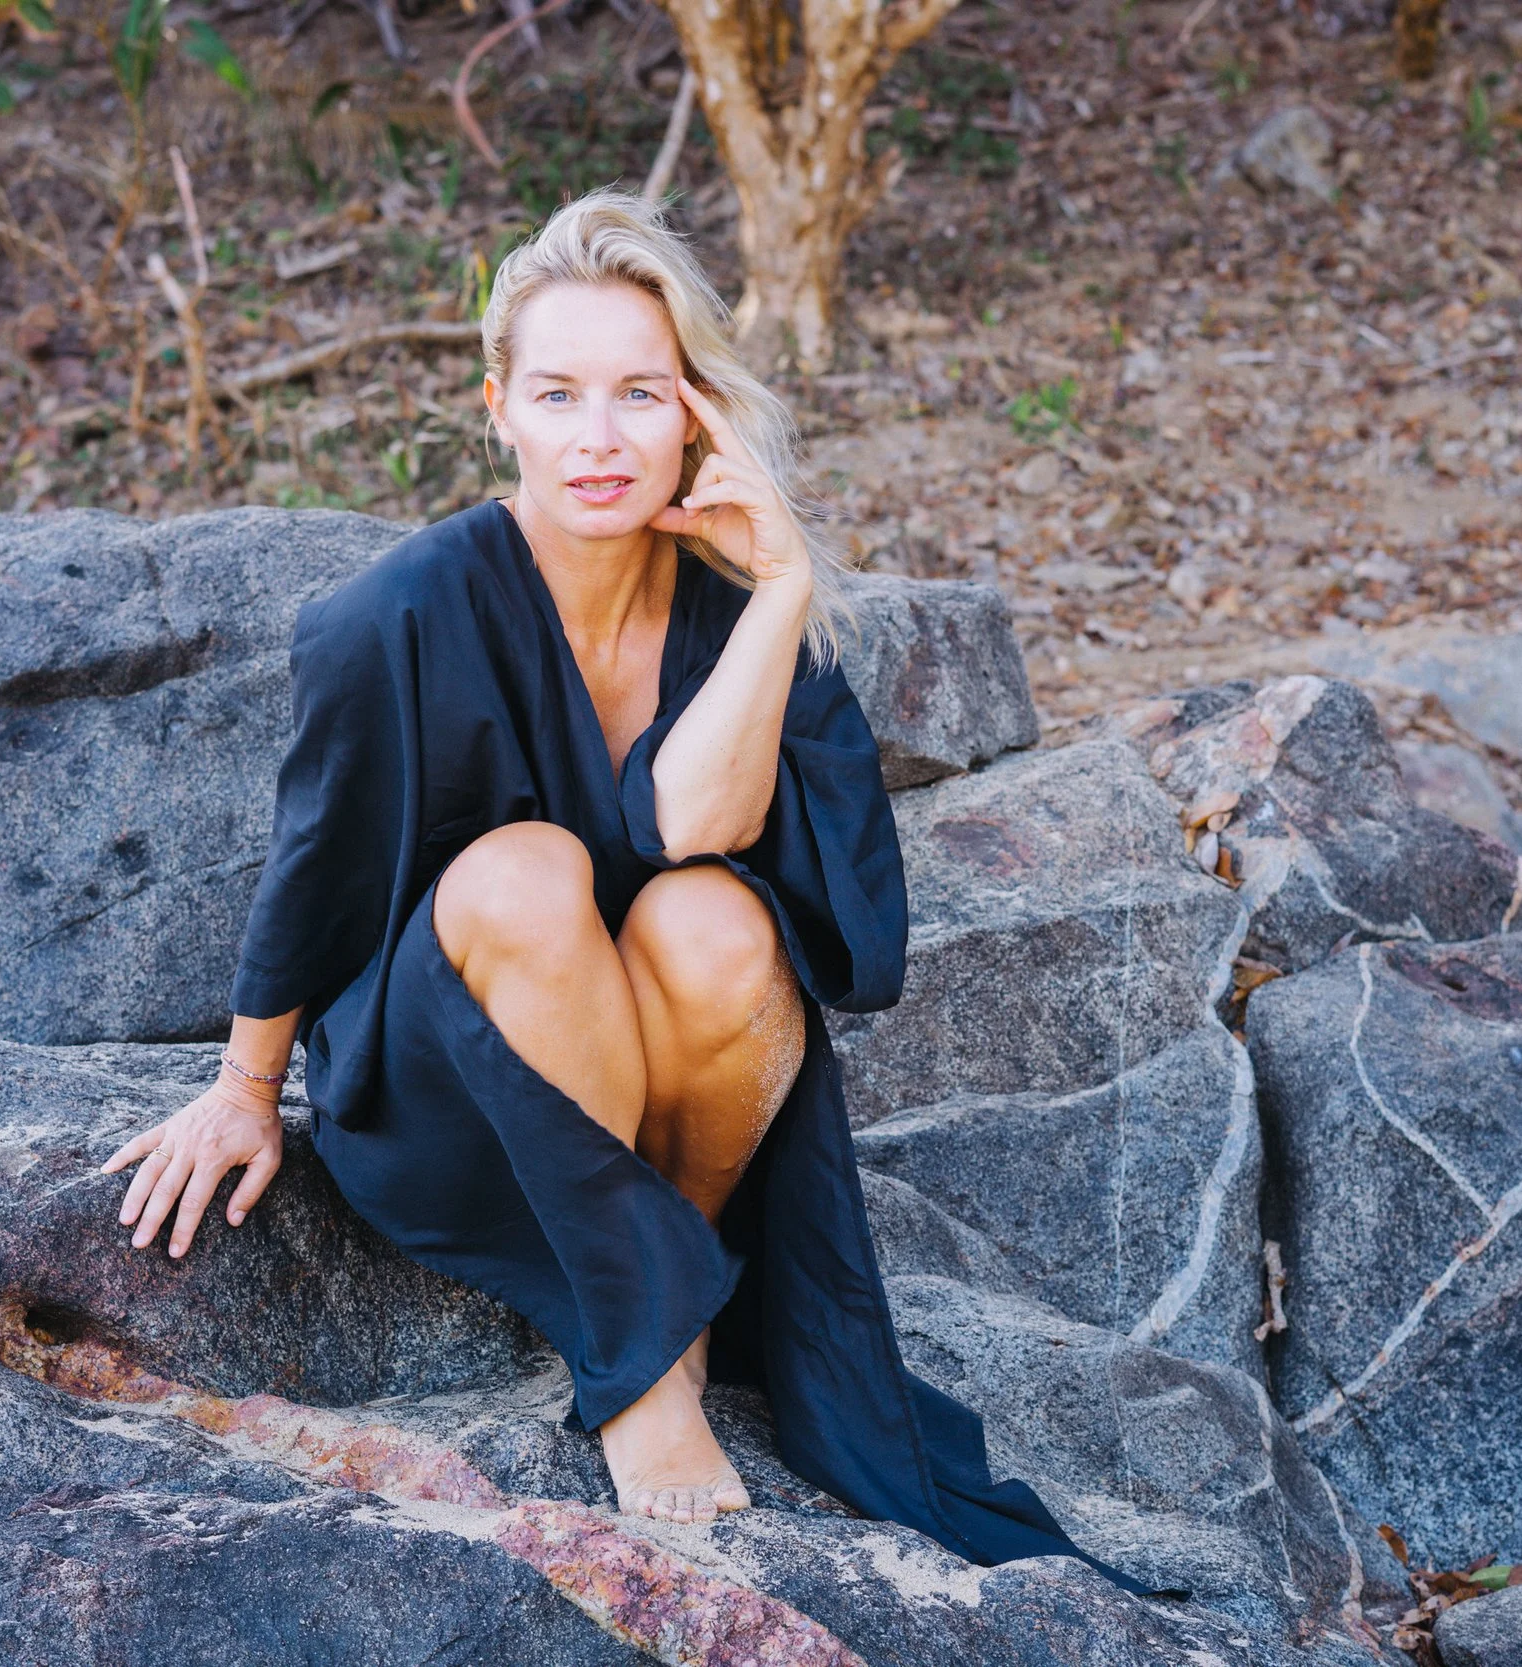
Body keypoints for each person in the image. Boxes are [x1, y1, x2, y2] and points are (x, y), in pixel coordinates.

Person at [100, 187, 1127, 1582]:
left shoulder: (734, 608)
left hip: (670, 1105)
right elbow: (316, 861)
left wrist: (778, 594)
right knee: (529, 872)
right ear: (497, 408)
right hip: (453, 1085)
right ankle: (645, 1363)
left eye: (641, 393)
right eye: (560, 392)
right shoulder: (388, 616)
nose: (599, 437)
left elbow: (702, 826)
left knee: (709, 917)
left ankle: (662, 1282)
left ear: (695, 411)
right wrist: (240, 1088)